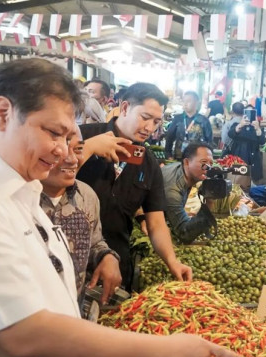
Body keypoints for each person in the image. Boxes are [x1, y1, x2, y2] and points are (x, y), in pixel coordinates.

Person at [0, 58, 239, 357]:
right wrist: (163, 351)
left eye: (70, 138)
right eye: (54, 133)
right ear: (2, 113)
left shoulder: (15, 184)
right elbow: (21, 332)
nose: (65, 153)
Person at [77, 82, 193, 291]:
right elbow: (49, 180)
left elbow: (156, 223)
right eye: (145, 117)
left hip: (116, 267)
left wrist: (172, 261)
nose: (150, 128)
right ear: (124, 108)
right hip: (70, 259)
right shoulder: (82, 137)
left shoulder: (149, 164)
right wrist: (89, 148)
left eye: (157, 121)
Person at [40, 124, 122, 305]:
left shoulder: (87, 195)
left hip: (73, 309)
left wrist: (107, 256)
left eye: (78, 149)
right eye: (60, 149)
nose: (72, 159)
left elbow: (94, 242)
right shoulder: (21, 199)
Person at [162, 142, 217, 244]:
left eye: (211, 164)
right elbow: (184, 234)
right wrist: (209, 202)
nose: (208, 168)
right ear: (187, 162)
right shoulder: (173, 190)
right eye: (204, 163)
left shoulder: (182, 170)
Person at [165, 91, 213, 159]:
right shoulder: (178, 119)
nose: (185, 104)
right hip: (179, 158)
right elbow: (169, 138)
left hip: (197, 158)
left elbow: (209, 142)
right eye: (184, 101)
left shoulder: (203, 120)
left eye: (188, 101)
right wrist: (168, 155)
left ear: (196, 102)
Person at [227, 111, 266, 182]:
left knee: (252, 184)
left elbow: (263, 141)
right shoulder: (237, 125)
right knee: (237, 183)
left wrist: (257, 129)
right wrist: (240, 125)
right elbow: (230, 134)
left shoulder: (259, 128)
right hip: (239, 159)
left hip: (254, 160)